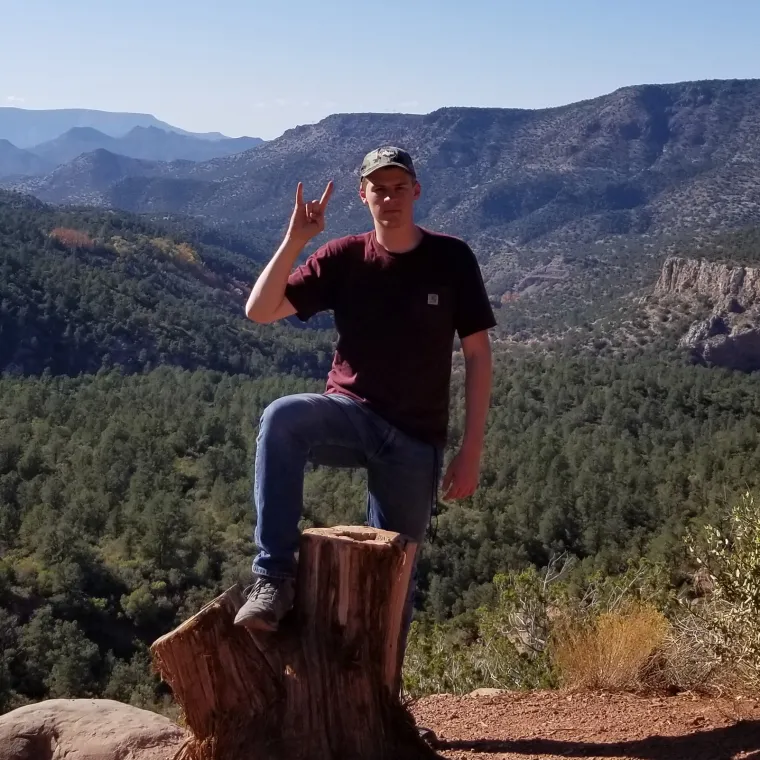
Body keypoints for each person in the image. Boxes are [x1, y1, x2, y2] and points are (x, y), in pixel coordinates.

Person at [234, 146, 495, 641]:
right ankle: (273, 578)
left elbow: (479, 355)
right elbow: (260, 311)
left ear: (415, 192)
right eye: (379, 188)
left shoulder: (452, 259)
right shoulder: (343, 257)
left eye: (399, 188)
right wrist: (295, 240)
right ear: (363, 195)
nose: (389, 197)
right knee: (283, 419)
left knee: (396, 577)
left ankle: (385, 708)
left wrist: (471, 450)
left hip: (417, 437)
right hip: (350, 415)